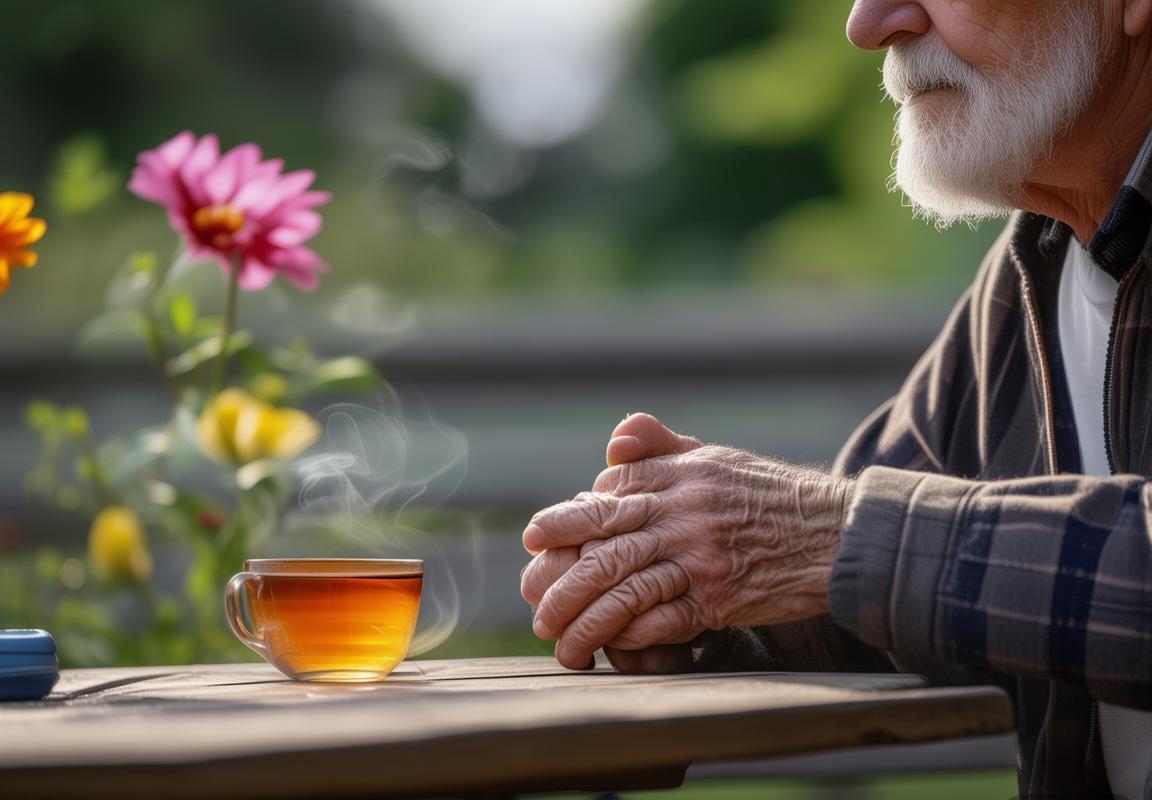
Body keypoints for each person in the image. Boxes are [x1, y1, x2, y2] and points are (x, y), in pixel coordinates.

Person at [519, 1, 1152, 796]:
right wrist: (686, 585)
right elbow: (869, 576)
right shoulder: (1041, 261)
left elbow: (853, 539)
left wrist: (830, 538)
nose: (870, 22)